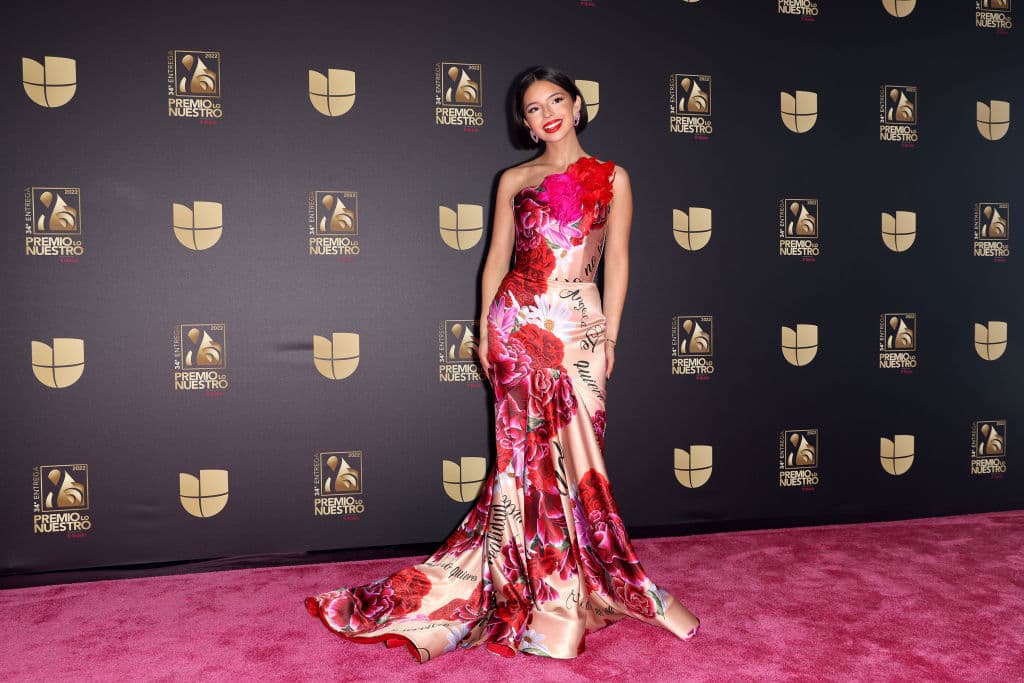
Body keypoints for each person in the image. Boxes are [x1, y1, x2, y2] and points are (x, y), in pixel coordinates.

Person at [305, 66, 700, 662]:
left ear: (577, 104)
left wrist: (610, 336)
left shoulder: (613, 177)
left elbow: (617, 260)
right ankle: (547, 594)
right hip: (515, 323)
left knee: (581, 454)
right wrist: (484, 333)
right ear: (524, 121)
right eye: (534, 107)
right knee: (521, 460)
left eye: (556, 101)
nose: (548, 114)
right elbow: (494, 261)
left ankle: (587, 580)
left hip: (578, 324)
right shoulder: (514, 178)